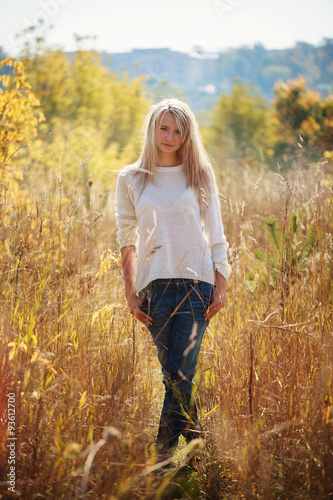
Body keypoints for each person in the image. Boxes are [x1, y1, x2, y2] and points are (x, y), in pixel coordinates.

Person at [115, 98, 231, 461]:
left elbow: (217, 233)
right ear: (152, 129)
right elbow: (126, 239)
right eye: (164, 128)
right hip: (154, 290)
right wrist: (130, 295)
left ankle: (161, 462)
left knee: (180, 376)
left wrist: (221, 280)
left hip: (197, 285)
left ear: (186, 135)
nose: (170, 136)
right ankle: (199, 450)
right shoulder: (131, 178)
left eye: (178, 131)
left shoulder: (198, 174)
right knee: (176, 378)